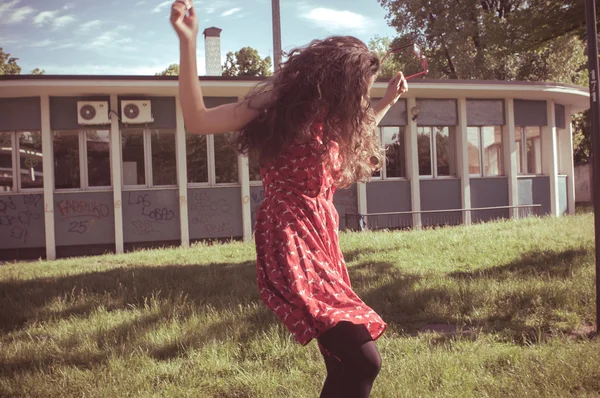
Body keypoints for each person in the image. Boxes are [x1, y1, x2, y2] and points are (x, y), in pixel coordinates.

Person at [170, 1, 408, 396]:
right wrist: (188, 41)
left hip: (320, 236)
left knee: (343, 363)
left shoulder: (335, 121)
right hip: (290, 233)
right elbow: (198, 119)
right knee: (363, 358)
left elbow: (357, 131)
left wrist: (385, 103)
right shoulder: (278, 106)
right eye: (359, 91)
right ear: (339, 80)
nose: (360, 100)